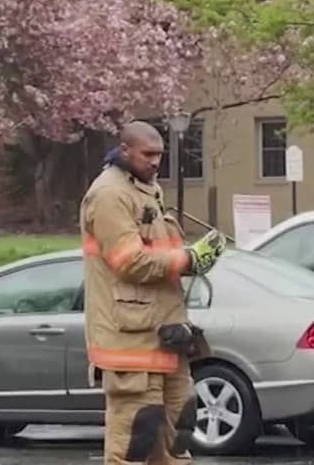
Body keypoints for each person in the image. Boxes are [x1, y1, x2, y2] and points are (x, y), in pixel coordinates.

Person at [81, 121, 227, 464]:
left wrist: (195, 255)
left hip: (166, 335)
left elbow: (158, 251)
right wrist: (188, 259)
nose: (155, 162)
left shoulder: (146, 189)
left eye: (159, 155)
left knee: (180, 430)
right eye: (148, 155)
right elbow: (129, 262)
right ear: (125, 149)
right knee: (136, 437)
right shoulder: (109, 195)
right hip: (129, 339)